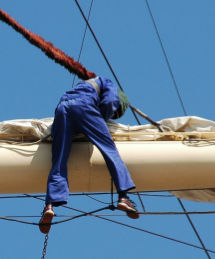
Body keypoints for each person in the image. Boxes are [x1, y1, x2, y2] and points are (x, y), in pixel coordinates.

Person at [38, 76, 140, 234]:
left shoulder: (83, 85)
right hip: (84, 107)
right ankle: (123, 197)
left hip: (62, 109)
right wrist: (99, 119)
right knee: (110, 151)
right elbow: (109, 102)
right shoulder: (107, 83)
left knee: (58, 160)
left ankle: (49, 205)